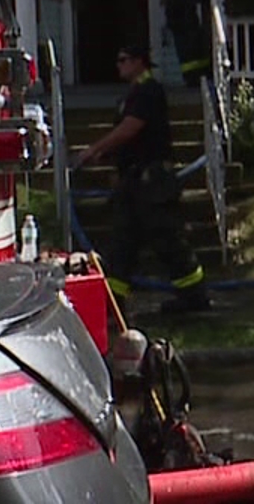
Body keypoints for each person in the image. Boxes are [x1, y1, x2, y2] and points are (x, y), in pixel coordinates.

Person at [72, 44, 211, 313]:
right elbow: (128, 140)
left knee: (168, 239)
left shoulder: (149, 90)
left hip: (153, 181)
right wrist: (111, 161)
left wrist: (95, 149)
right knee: (123, 242)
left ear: (139, 62)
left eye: (124, 60)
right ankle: (113, 303)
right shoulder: (132, 94)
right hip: (134, 182)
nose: (119, 65)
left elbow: (130, 128)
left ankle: (194, 297)